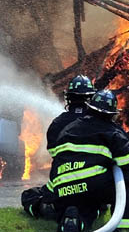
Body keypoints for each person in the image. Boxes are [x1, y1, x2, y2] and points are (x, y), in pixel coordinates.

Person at [45, 89, 129, 232]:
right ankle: (125, 225)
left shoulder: (69, 128)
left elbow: (55, 156)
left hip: (62, 187)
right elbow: (128, 162)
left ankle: (74, 221)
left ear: (90, 107)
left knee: (87, 209)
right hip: (93, 185)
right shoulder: (112, 132)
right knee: (127, 177)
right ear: (112, 114)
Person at [21, 74, 96, 219]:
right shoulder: (99, 124)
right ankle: (87, 212)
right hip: (91, 184)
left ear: (69, 97)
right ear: (90, 97)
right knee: (97, 203)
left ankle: (46, 208)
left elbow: (54, 153)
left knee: (29, 196)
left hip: (62, 183)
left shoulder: (58, 123)